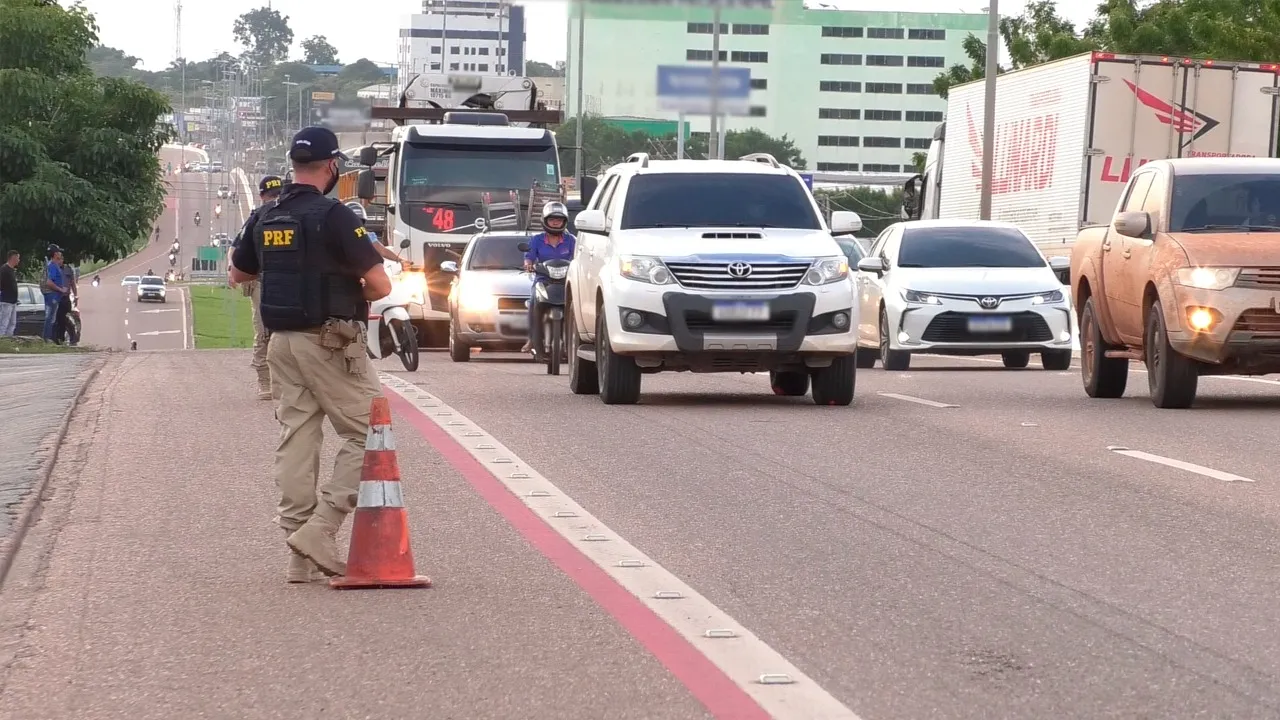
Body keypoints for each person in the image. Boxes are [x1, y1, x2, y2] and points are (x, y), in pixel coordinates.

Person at [229, 126, 391, 583]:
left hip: (281, 342)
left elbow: (239, 274)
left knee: (298, 437)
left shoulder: (266, 215)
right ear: (333, 167)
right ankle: (321, 529)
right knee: (371, 432)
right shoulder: (335, 215)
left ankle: (298, 555)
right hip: (331, 340)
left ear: (293, 166)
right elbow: (381, 285)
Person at [229, 174, 284, 400]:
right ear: (262, 196)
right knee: (264, 333)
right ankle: (265, 380)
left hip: (286, 281)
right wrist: (232, 270)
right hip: (261, 281)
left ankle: (284, 380)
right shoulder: (257, 218)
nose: (274, 199)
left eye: (277, 195)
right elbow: (236, 247)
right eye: (271, 196)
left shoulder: (291, 215)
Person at [521, 201, 576, 356]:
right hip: (543, 279)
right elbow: (529, 257)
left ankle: (577, 340)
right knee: (533, 301)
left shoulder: (571, 240)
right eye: (552, 219)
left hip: (566, 281)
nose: (556, 222)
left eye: (559, 219)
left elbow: (578, 257)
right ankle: (532, 338)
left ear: (565, 221)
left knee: (577, 305)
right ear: (545, 220)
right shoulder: (537, 240)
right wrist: (528, 264)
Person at [42, 245, 70, 343]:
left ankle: (49, 338)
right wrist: (61, 289)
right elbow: (49, 282)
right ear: (55, 254)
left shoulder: (54, 265)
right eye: (59, 252)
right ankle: (47, 338)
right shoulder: (52, 266)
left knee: (52, 317)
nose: (60, 254)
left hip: (54, 295)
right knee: (50, 317)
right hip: (52, 295)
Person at [0, 250, 19, 337]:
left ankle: (8, 340)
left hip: (13, 301)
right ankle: (2, 340)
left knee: (12, 323)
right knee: (4, 323)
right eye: (18, 258)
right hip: (6, 301)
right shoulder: (4, 270)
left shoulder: (12, 270)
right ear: (13, 258)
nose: (19, 260)